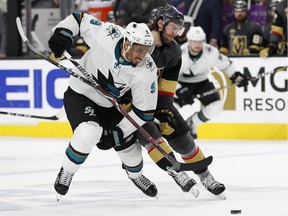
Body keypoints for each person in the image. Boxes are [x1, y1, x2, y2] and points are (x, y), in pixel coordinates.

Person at [48, 12, 159, 198]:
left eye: (146, 50)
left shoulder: (147, 70)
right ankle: (67, 171)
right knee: (89, 132)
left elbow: (144, 112)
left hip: (111, 105)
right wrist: (63, 33)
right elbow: (79, 19)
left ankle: (136, 176)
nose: (143, 55)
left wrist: (120, 131)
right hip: (80, 93)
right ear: (127, 43)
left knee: (129, 148)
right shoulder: (109, 34)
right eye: (139, 49)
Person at [139, 3, 226, 196]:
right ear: (160, 23)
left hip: (154, 100)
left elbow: (166, 92)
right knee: (150, 135)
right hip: (129, 103)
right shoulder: (138, 41)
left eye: (179, 29)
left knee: (181, 136)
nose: (177, 33)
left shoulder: (174, 51)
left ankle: (205, 176)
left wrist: (164, 111)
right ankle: (175, 173)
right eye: (174, 28)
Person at [174, 26, 249, 139]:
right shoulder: (180, 53)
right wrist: (179, 89)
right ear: (189, 41)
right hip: (181, 83)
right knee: (171, 109)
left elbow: (226, 64)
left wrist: (236, 75)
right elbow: (169, 75)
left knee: (217, 107)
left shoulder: (210, 52)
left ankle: (192, 123)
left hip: (201, 82)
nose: (197, 45)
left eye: (200, 41)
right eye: (194, 41)